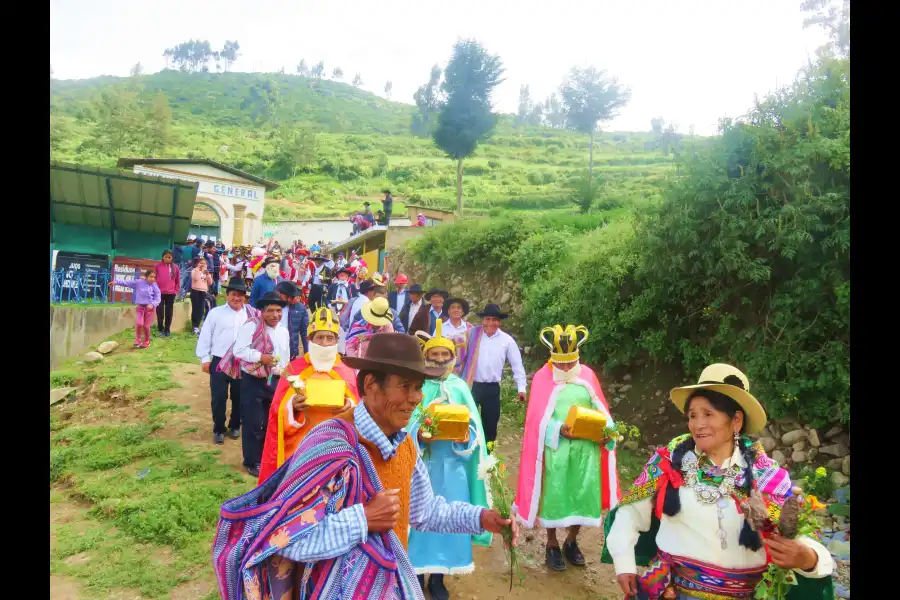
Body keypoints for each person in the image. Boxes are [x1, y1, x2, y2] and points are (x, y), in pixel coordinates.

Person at [213, 333, 518, 600]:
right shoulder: (330, 445)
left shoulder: (404, 444)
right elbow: (287, 537)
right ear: (371, 384)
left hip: (388, 583)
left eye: (419, 387)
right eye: (405, 386)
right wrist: (364, 519)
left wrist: (482, 518)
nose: (415, 398)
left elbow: (424, 512)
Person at [602, 364, 835, 599]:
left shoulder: (767, 477)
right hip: (673, 591)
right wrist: (624, 563)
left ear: (736, 421)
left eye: (708, 414)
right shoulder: (669, 462)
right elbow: (630, 513)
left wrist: (808, 559)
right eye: (693, 415)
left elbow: (801, 538)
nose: (698, 424)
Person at [513, 324, 620, 571]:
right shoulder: (542, 377)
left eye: (569, 364)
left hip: (586, 451)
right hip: (556, 450)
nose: (565, 368)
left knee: (581, 496)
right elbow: (536, 420)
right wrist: (557, 429)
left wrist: (607, 432)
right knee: (554, 496)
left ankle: (572, 540)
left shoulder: (588, 376)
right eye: (560, 364)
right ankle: (551, 543)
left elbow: (601, 409)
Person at [406, 320, 491, 600]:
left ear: (453, 358)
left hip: (454, 469)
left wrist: (464, 437)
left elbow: (475, 431)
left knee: (450, 521)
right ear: (425, 357)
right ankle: (416, 574)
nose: (440, 360)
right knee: (418, 522)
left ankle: (439, 576)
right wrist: (419, 435)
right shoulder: (415, 386)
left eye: (445, 356)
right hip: (422, 468)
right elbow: (404, 426)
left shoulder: (460, 388)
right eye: (434, 355)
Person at [257, 307, 359, 483]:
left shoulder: (347, 372)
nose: (325, 343)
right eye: (319, 337)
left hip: (334, 448)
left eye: (330, 338)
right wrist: (292, 407)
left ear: (336, 340)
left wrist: (350, 405)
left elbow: (360, 410)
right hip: (299, 449)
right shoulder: (293, 369)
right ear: (310, 339)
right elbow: (276, 412)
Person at [228, 291, 291, 477]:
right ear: (262, 312)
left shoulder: (283, 331)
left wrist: (285, 373)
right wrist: (260, 357)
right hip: (254, 381)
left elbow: (286, 355)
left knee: (271, 421)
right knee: (253, 423)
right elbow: (239, 350)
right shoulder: (252, 327)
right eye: (270, 311)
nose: (275, 315)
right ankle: (251, 461)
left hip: (275, 381)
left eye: (279, 311)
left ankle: (265, 457)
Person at [196, 278, 259, 444]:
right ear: (227, 295)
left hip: (242, 362)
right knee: (218, 397)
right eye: (233, 294)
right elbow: (205, 335)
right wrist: (204, 358)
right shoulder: (215, 313)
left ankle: (235, 425)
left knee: (239, 396)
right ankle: (218, 428)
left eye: (240, 295)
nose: (236, 298)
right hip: (219, 362)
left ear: (245, 297)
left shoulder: (252, 315)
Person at [458, 304, 527, 445]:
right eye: (488, 319)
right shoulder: (472, 335)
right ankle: (467, 454)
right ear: (483, 320)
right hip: (472, 386)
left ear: (499, 322)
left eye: (494, 320)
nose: (491, 323)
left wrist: (521, 388)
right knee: (467, 421)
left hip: (492, 388)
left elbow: (517, 365)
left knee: (490, 425)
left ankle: (488, 459)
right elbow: (455, 350)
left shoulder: (507, 341)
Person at [110, 269, 161, 349]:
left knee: (146, 326)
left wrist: (152, 304)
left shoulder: (154, 286)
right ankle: (138, 340)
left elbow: (158, 298)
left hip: (150, 309)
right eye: (151, 277)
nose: (152, 279)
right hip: (140, 307)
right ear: (146, 277)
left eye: (154, 277)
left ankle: (147, 341)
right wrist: (116, 282)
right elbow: (127, 283)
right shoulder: (139, 283)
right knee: (139, 323)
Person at [275, 280, 309, 361]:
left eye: (293, 296)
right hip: (272, 349)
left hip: (290, 350)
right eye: (289, 296)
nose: (292, 299)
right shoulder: (270, 306)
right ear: (279, 294)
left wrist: (307, 352)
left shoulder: (300, 308)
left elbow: (305, 332)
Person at [153, 250, 180, 338]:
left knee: (169, 312)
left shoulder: (175, 267)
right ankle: (161, 329)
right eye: (166, 257)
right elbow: (154, 278)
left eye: (170, 257)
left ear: (172, 258)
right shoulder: (157, 266)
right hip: (159, 293)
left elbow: (178, 281)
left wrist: (175, 291)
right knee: (159, 311)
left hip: (171, 293)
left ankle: (167, 329)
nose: (168, 259)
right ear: (163, 257)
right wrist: (155, 289)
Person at [443, 298, 473, 376]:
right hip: (445, 368)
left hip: (465, 369)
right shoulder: (441, 328)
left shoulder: (469, 328)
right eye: (453, 307)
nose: (456, 310)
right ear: (448, 311)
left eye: (459, 308)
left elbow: (474, 348)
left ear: (462, 312)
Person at [190, 257, 214, 334]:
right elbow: (195, 278)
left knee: (201, 309)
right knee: (195, 308)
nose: (203, 265)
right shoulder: (194, 271)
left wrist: (208, 275)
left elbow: (210, 283)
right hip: (195, 291)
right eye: (201, 263)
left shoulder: (206, 272)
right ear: (197, 264)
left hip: (203, 291)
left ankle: (197, 325)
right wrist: (198, 269)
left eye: (204, 264)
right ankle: (194, 326)